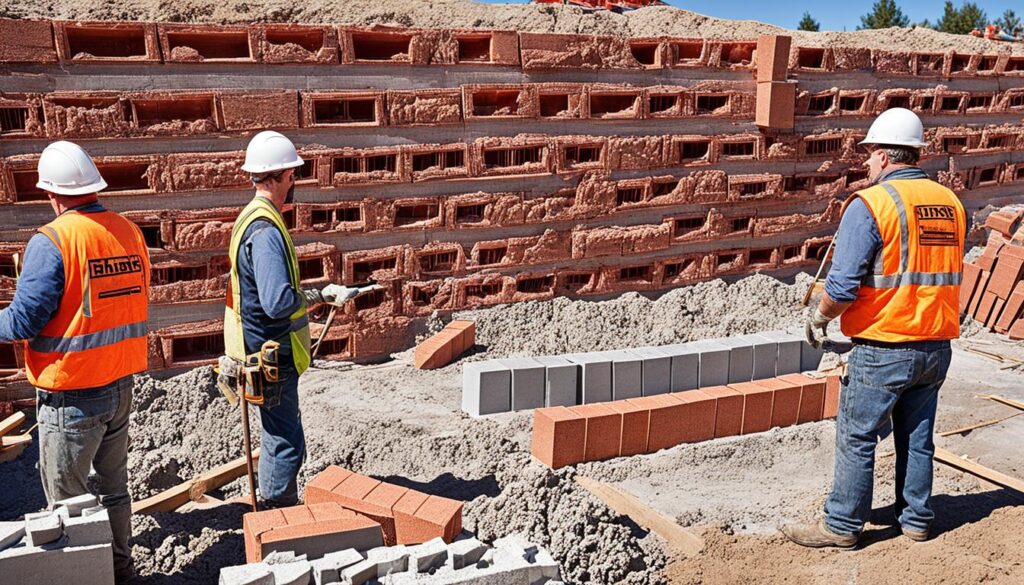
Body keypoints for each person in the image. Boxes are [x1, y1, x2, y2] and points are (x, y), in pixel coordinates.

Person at [784, 108, 966, 549]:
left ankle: (843, 524)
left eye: (869, 154)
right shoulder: (953, 205)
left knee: (857, 433)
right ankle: (917, 519)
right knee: (917, 435)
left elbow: (844, 285)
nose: (865, 163)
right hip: (936, 344)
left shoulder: (872, 205)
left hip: (885, 344)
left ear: (885, 156)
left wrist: (820, 316)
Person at [0, 141, 150, 582]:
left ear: (51, 192)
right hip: (121, 384)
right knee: (114, 492)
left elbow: (23, 321)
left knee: (67, 505)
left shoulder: (53, 241)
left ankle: (83, 575)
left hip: (73, 395)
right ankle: (121, 572)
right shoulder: (128, 231)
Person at [224, 131, 356, 508]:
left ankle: (272, 508)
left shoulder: (254, 217)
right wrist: (321, 295)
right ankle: (279, 515)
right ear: (280, 176)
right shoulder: (265, 230)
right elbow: (278, 302)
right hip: (271, 356)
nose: (295, 181)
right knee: (285, 441)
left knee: (276, 435)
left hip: (261, 351)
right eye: (292, 174)